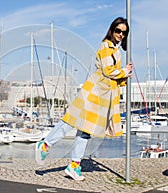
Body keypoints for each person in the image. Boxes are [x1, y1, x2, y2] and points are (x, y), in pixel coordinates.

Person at [35, 17, 133, 181]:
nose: (121, 35)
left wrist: (124, 74)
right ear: (112, 30)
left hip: (103, 95)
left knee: (86, 131)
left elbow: (112, 74)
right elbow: (108, 70)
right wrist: (123, 71)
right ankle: (45, 144)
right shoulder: (106, 47)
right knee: (72, 121)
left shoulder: (115, 50)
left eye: (124, 32)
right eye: (118, 31)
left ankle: (74, 165)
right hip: (94, 92)